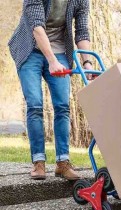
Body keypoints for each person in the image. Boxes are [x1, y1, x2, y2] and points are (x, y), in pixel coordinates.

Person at [8, 0, 92, 180]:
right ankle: (38, 163)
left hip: (60, 50)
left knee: (63, 106)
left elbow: (82, 31)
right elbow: (37, 26)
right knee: (35, 105)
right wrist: (52, 61)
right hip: (30, 49)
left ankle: (63, 163)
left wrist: (87, 62)